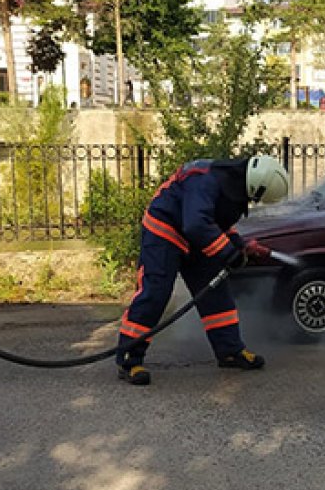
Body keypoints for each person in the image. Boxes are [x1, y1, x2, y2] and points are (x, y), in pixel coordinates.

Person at [116, 156, 290, 385]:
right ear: (255, 187)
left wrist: (238, 246)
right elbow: (196, 223)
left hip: (196, 237)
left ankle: (230, 351)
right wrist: (228, 254)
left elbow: (217, 222)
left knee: (216, 295)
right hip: (165, 232)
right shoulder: (205, 180)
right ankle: (129, 359)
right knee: (155, 293)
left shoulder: (233, 183)